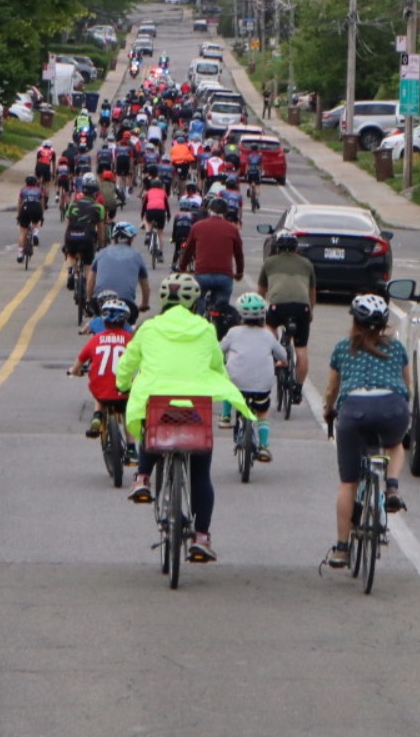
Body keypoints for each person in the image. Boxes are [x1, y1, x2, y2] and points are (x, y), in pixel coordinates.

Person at [115, 272, 253, 564]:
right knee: (201, 474)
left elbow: (128, 364)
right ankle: (201, 537)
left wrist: (123, 385)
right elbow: (217, 365)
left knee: (150, 426)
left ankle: (142, 476)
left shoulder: (149, 328)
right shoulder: (204, 329)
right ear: (194, 302)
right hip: (195, 408)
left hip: (160, 404)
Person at [322, 294, 411, 570]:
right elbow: (407, 387)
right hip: (391, 407)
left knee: (348, 482)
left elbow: (332, 389)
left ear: (354, 322)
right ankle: (392, 487)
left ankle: (342, 548)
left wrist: (329, 410)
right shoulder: (396, 348)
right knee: (396, 444)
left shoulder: (342, 348)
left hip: (354, 410)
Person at [218, 293, 286, 462]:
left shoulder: (233, 332)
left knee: (229, 384)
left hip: (237, 385)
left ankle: (226, 416)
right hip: (262, 386)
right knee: (262, 412)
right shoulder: (268, 335)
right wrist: (280, 362)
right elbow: (283, 355)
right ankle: (263, 446)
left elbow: (219, 350)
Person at [257, 229, 317, 391]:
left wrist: (259, 311)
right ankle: (298, 388)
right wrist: (310, 311)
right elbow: (312, 292)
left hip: (279, 307)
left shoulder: (269, 263)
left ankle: (274, 351)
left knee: (269, 328)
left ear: (277, 247)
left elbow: (261, 292)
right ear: (295, 248)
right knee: (301, 349)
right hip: (302, 308)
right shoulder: (307, 264)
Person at [69, 297, 134, 442]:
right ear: (125, 321)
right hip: (123, 391)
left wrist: (74, 371)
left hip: (101, 390)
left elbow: (80, 361)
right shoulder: (129, 339)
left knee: (100, 392)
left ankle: (97, 416)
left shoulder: (96, 339)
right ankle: (130, 449)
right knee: (126, 412)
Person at [177, 195, 244, 312]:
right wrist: (239, 272)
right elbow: (239, 253)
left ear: (209, 210)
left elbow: (188, 251)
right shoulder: (232, 229)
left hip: (202, 274)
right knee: (222, 308)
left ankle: (200, 318)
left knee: (199, 301)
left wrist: (182, 268)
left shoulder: (197, 226)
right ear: (225, 212)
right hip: (224, 275)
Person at [86, 221, 151, 322]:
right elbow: (145, 286)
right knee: (130, 331)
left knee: (97, 325)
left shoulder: (102, 253)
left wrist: (89, 300)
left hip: (101, 301)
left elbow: (91, 280)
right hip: (126, 303)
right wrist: (144, 304)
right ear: (130, 240)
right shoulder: (137, 256)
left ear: (114, 239)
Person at [63, 172, 107, 277]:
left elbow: (67, 226)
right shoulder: (99, 208)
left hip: (72, 236)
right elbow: (101, 229)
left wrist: (66, 243)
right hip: (87, 237)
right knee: (88, 263)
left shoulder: (72, 206)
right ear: (95, 193)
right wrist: (101, 245)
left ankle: (72, 271)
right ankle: (87, 287)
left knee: (71, 254)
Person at [16, 174, 45, 262]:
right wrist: (41, 214)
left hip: (25, 208)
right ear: (35, 182)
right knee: (36, 222)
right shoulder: (39, 190)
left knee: (23, 232)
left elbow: (19, 203)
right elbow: (42, 203)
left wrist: (19, 214)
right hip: (36, 207)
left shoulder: (23, 190)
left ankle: (20, 254)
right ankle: (36, 233)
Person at [140, 175, 170, 261]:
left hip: (151, 211)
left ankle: (148, 234)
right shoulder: (163, 193)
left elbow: (144, 205)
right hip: (161, 211)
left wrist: (142, 215)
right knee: (160, 233)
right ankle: (160, 253)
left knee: (147, 220)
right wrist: (168, 216)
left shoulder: (148, 192)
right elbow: (167, 206)